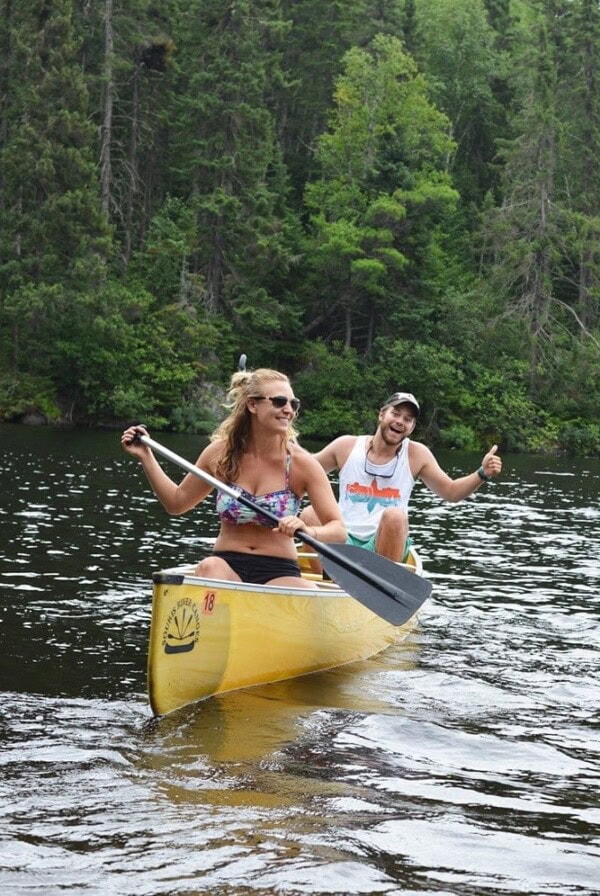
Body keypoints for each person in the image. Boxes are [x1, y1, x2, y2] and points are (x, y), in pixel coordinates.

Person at [121, 369, 346, 587]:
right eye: (279, 401)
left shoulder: (302, 464)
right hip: (226, 564)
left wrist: (309, 531)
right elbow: (176, 503)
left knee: (305, 591)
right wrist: (146, 457)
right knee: (209, 567)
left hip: (279, 570)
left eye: (293, 404)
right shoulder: (220, 454)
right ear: (252, 405)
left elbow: (338, 530)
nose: (288, 410)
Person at [300, 391, 502, 565]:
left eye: (407, 419)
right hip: (341, 536)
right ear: (381, 414)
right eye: (395, 413)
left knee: (395, 516)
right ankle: (326, 583)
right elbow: (304, 469)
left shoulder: (417, 454)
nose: (400, 421)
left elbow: (451, 492)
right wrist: (283, 443)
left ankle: (383, 586)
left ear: (412, 427)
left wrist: (482, 473)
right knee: (309, 514)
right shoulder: (345, 446)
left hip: (385, 541)